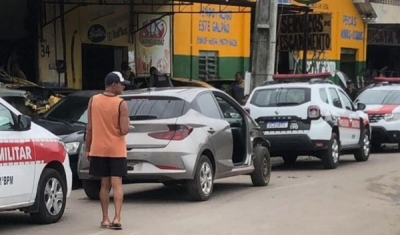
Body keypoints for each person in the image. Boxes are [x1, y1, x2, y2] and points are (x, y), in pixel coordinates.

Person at [84, 71, 131, 230]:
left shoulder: (93, 100)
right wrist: (128, 122)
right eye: (121, 84)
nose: (123, 87)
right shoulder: (121, 103)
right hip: (116, 150)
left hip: (99, 149)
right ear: (113, 85)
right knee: (117, 184)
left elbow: (89, 128)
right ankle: (117, 218)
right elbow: (124, 130)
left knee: (104, 184)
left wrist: (87, 148)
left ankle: (105, 219)